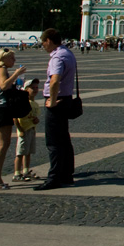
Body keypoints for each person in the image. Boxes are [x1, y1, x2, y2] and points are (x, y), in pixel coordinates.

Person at [36, 28, 78, 191]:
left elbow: (54, 80)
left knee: (53, 142)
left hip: (57, 102)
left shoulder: (57, 57)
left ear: (49, 41)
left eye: (43, 42)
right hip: (67, 98)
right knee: (64, 140)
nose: (43, 46)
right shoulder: (68, 53)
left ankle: (54, 177)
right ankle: (67, 174)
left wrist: (52, 101)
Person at [0, 48, 28, 190]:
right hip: (2, 109)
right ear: (3, 59)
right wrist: (16, 74)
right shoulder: (1, 69)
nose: (14, 61)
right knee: (4, 144)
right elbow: (3, 86)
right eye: (11, 58)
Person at [13, 78, 41, 181]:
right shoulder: (22, 102)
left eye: (36, 88)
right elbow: (15, 118)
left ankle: (26, 170)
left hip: (32, 130)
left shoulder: (35, 104)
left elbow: (35, 118)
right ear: (26, 90)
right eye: (32, 88)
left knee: (28, 152)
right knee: (20, 153)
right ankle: (17, 173)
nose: (35, 90)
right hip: (23, 130)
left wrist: (36, 121)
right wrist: (20, 129)